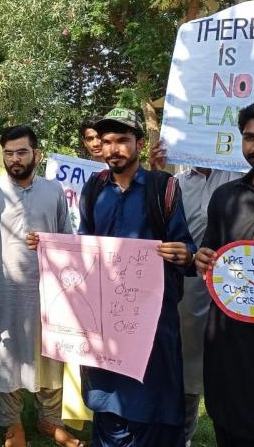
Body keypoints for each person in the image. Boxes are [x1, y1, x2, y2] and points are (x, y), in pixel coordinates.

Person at [28, 107, 195, 446]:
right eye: (106, 142)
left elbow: (186, 248)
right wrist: (49, 247)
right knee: (108, 403)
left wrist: (184, 254)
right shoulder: (94, 189)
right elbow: (85, 247)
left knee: (153, 405)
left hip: (151, 323)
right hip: (104, 322)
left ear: (138, 144)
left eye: (122, 140)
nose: (113, 149)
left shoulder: (163, 188)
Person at [0, 126, 80, 447]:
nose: (15, 159)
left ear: (36, 155)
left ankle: (49, 420)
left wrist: (49, 244)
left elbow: (67, 240)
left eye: (21, 152)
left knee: (50, 353)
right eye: (9, 153)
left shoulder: (54, 191)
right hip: (0, 289)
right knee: (4, 353)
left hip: (48, 290)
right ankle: (12, 423)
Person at [195, 98, 254, 447]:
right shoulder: (226, 197)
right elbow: (211, 254)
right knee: (229, 427)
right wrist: (203, 259)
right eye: (249, 137)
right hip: (229, 345)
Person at [149, 142, 242, 446]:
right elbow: (162, 227)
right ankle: (182, 436)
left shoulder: (237, 177)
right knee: (186, 364)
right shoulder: (174, 183)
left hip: (235, 284)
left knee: (233, 362)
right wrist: (157, 174)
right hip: (188, 285)